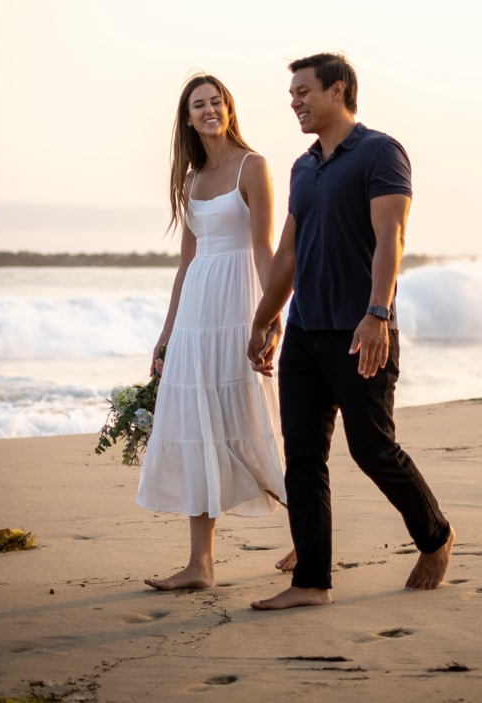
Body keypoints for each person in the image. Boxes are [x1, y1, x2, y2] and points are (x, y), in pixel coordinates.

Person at [247, 53, 455, 610]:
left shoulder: (379, 153)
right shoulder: (302, 167)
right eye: (290, 94)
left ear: (338, 91)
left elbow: (392, 237)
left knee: (372, 448)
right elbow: (287, 253)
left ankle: (435, 536)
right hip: (305, 336)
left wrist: (378, 313)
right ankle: (312, 582)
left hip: (361, 330)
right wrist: (265, 320)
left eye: (303, 92)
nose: (294, 102)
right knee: (305, 457)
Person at [137, 73, 295, 590]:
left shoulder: (254, 166)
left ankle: (308, 534)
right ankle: (200, 565)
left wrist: (270, 317)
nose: (209, 110)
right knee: (199, 423)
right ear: (187, 118)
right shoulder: (191, 180)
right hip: (197, 313)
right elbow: (186, 263)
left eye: (217, 101)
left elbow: (264, 248)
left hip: (240, 301)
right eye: (198, 105)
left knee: (252, 418)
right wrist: (167, 334)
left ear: (229, 108)